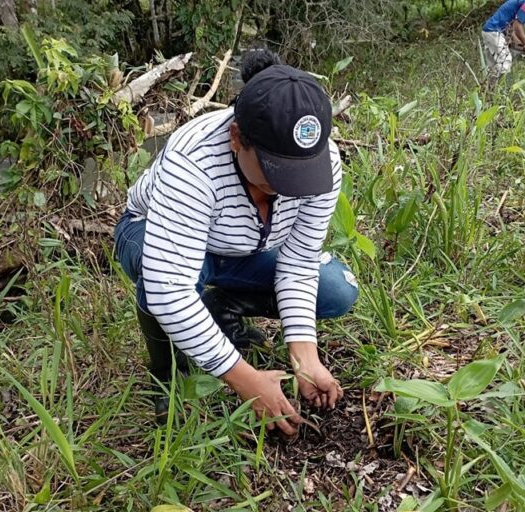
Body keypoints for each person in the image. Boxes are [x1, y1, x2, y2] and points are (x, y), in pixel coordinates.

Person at [114, 49, 358, 436]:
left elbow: (298, 261)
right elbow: (169, 289)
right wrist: (243, 378)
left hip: (244, 249)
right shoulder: (193, 161)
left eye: (299, 175)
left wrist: (304, 356)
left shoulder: (321, 158)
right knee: (158, 269)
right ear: (235, 139)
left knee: (334, 289)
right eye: (274, 173)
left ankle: (219, 308)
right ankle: (168, 377)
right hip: (151, 232)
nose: (285, 189)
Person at [482, 0, 525, 85]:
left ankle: (490, 92)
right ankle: (506, 90)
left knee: (494, 67)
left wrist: (517, 42)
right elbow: (517, 26)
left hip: (488, 31)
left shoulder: (524, 2)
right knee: (505, 61)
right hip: (494, 32)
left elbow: (511, 24)